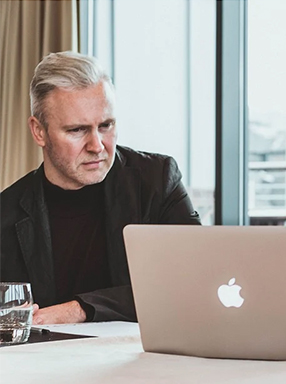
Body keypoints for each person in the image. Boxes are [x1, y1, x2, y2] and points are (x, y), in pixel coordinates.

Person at [1, 52, 201, 324]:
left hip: (141, 358)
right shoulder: (6, 212)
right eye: (77, 130)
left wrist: (79, 309)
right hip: (46, 361)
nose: (97, 146)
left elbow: (194, 281)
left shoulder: (157, 181)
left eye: (106, 126)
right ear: (39, 132)